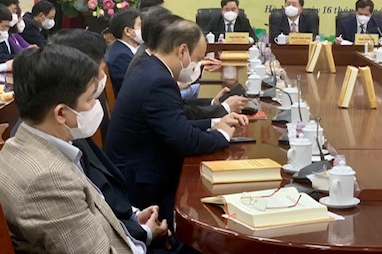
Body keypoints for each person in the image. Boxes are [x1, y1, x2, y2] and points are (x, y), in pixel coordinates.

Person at [49, 29, 184, 253]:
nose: (95, 104)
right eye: (90, 98)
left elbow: (102, 193)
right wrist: (145, 234)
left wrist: (135, 220)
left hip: (125, 217)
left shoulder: (70, 129)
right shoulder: (50, 166)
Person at [105, 19, 248, 223]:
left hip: (141, 164)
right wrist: (223, 134)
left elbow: (175, 122)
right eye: (198, 59)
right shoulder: (158, 81)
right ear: (182, 51)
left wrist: (213, 123)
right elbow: (187, 141)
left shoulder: (150, 67)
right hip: (142, 182)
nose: (198, 65)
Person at [0, 45, 137, 253]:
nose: (96, 104)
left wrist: (135, 228)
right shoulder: (48, 180)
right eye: (90, 99)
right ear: (61, 113)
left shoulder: (23, 142)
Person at [125, 6, 247, 116]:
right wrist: (222, 115)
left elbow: (179, 106)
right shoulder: (153, 73)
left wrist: (214, 103)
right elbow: (180, 121)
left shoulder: (150, 60)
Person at [106, 9, 142, 95]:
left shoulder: (138, 47)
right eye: (140, 25)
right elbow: (136, 87)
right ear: (128, 31)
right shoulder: (120, 57)